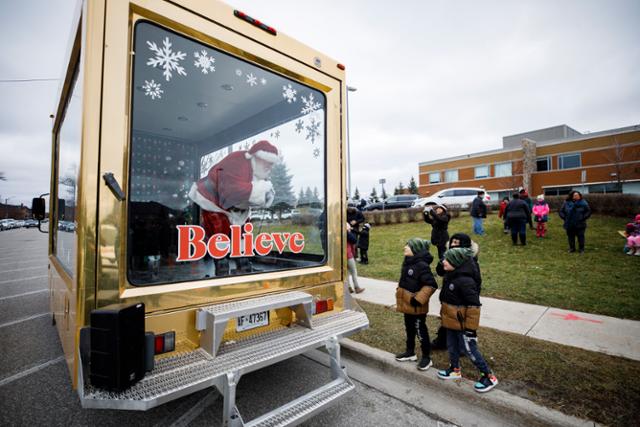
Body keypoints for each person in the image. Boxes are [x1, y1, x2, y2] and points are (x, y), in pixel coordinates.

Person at [189, 140, 278, 275]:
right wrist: (257, 193)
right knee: (219, 227)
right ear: (257, 157)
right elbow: (230, 189)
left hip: (236, 208)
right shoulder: (237, 162)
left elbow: (250, 194)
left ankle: (241, 256)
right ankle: (220, 259)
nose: (269, 167)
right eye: (267, 162)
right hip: (213, 201)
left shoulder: (257, 173)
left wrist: (261, 196)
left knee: (242, 229)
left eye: (271, 164)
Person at [436, 247, 498, 393]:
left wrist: (470, 329)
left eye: (447, 260)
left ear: (456, 262)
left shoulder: (465, 281)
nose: (443, 262)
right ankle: (454, 369)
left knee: (469, 350)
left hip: (463, 325)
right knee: (452, 346)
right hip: (451, 322)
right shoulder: (451, 275)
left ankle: (488, 376)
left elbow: (474, 306)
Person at [394, 238, 438, 371]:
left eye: (408, 245)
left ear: (416, 249)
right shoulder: (408, 262)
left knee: (420, 331)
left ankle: (426, 357)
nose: (405, 247)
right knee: (409, 329)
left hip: (417, 307)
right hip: (407, 306)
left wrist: (418, 299)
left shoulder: (421, 265)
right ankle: (410, 352)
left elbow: (431, 285)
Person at [432, 233, 481, 350]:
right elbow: (440, 272)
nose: (453, 245)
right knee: (447, 320)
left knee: (460, 324)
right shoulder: (450, 257)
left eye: (456, 243)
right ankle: (442, 342)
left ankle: (463, 347)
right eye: (452, 242)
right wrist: (442, 261)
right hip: (450, 294)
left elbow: (476, 282)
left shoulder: (469, 261)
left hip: (462, 298)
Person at [346, 223, 364, 293]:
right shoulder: (347, 235)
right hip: (348, 255)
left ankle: (348, 287)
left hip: (342, 256)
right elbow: (354, 241)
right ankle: (357, 287)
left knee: (346, 272)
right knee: (353, 271)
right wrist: (348, 231)